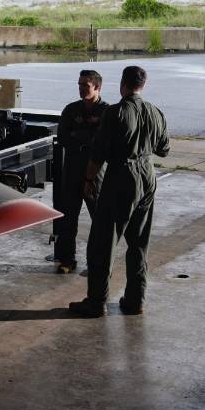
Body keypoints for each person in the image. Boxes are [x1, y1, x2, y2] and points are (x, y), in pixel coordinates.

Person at [69, 65, 170, 318]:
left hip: (122, 177)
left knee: (103, 241)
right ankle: (135, 300)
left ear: (123, 84)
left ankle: (96, 302)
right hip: (148, 175)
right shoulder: (155, 112)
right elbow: (164, 149)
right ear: (142, 85)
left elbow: (99, 152)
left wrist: (88, 180)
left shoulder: (115, 113)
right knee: (138, 242)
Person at [52, 70, 109, 274]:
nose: (81, 88)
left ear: (97, 87)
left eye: (86, 84)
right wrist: (88, 137)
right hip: (73, 170)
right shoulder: (71, 110)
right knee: (68, 218)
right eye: (79, 84)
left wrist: (79, 136)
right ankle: (67, 259)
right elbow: (63, 138)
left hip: (96, 172)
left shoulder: (107, 112)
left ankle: (100, 263)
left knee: (100, 219)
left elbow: (104, 141)